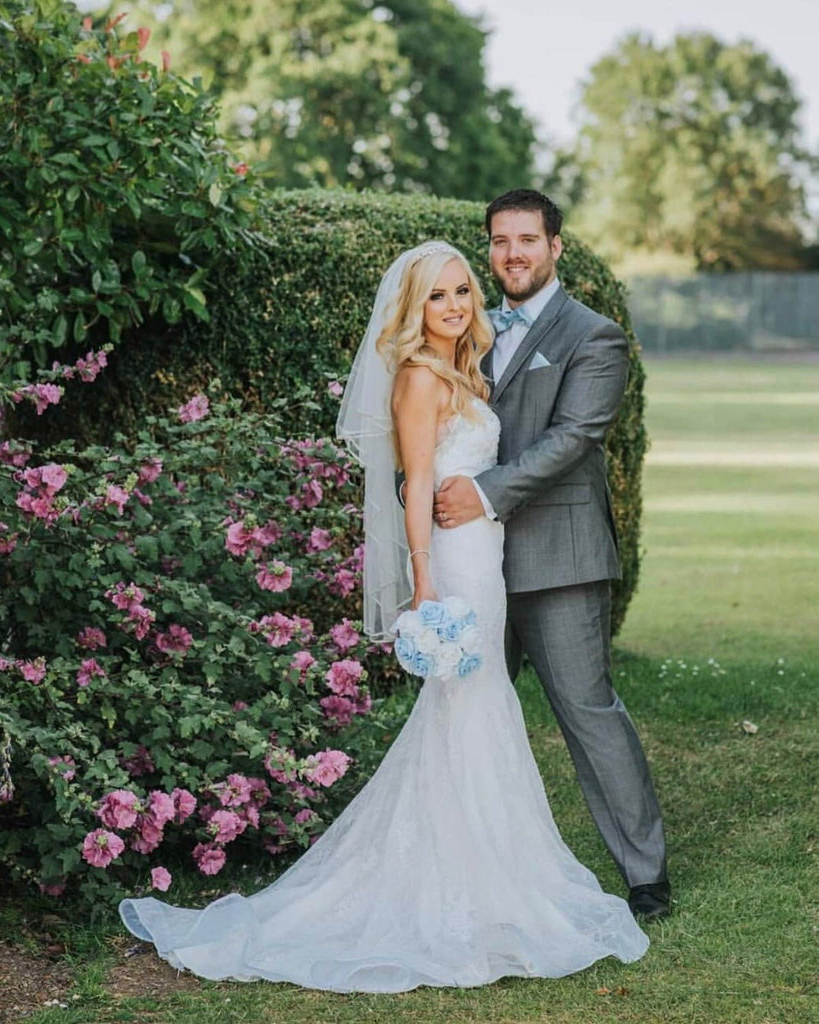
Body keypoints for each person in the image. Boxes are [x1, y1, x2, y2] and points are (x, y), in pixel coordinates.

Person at [118, 240, 649, 991]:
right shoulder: (417, 379)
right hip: (456, 565)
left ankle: (482, 873)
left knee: (474, 708)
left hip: (485, 554)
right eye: (437, 296)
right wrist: (425, 585)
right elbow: (416, 485)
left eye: (462, 291)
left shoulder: (459, 371)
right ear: (412, 307)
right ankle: (472, 888)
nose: (455, 305)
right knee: (468, 708)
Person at [431, 189, 670, 921]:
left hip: (557, 557)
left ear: (554, 246)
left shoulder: (591, 335)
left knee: (588, 712)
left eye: (527, 240)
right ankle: (458, 865)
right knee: (462, 708)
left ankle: (645, 871)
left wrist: (482, 492)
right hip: (472, 561)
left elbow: (573, 439)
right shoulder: (465, 328)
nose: (512, 254)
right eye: (499, 242)